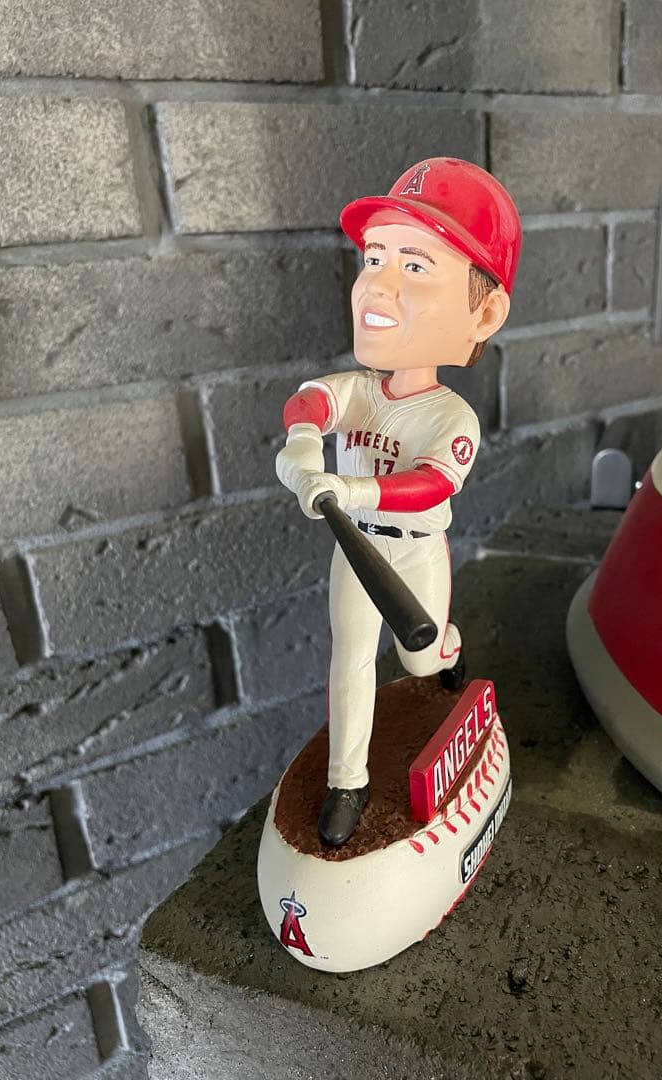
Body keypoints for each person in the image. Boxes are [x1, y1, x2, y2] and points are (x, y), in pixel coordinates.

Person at [276, 157, 521, 846]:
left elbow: (431, 486)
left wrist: (349, 487)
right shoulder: (360, 390)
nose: (378, 283)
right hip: (354, 547)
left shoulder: (451, 416)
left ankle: (448, 646)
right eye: (375, 258)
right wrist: (302, 445)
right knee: (351, 657)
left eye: (414, 265)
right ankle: (346, 782)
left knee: (420, 662)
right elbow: (310, 401)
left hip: (414, 554)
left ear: (484, 312)